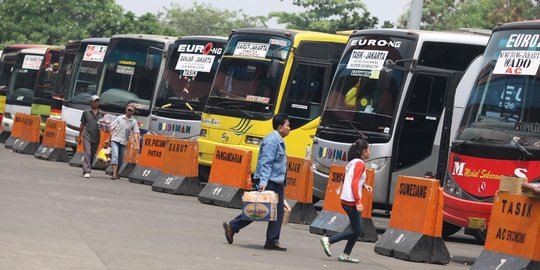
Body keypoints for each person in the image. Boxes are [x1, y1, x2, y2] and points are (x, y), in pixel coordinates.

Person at [223, 113, 290, 251]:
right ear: (280, 127)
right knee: (259, 209)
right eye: (287, 125)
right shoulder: (272, 141)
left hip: (276, 181)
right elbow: (266, 162)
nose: (290, 128)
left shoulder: (278, 140)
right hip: (270, 181)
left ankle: (271, 240)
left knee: (274, 212)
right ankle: (234, 226)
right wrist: (263, 182)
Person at [319, 138, 372, 263]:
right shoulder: (360, 164)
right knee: (357, 230)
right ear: (364, 151)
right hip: (351, 201)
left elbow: (353, 179)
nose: (370, 152)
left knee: (356, 229)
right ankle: (329, 241)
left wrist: (364, 185)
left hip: (345, 198)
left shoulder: (353, 162)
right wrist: (358, 202)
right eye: (369, 149)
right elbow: (354, 182)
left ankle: (345, 255)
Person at [109, 104, 140, 179]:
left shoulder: (133, 121)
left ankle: (117, 172)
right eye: (128, 110)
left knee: (120, 159)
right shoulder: (119, 118)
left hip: (123, 141)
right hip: (115, 139)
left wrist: (137, 144)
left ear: (133, 112)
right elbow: (112, 128)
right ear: (126, 110)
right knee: (115, 156)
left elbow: (136, 133)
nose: (129, 112)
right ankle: (113, 174)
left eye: (131, 111)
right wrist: (108, 139)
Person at [79, 95, 103, 178]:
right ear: (91, 102)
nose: (96, 103)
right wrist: (79, 137)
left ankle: (88, 168)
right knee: (87, 152)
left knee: (92, 154)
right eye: (94, 101)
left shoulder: (101, 114)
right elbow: (82, 125)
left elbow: (105, 126)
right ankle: (86, 170)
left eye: (97, 101)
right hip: (87, 135)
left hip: (96, 136)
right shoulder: (86, 112)